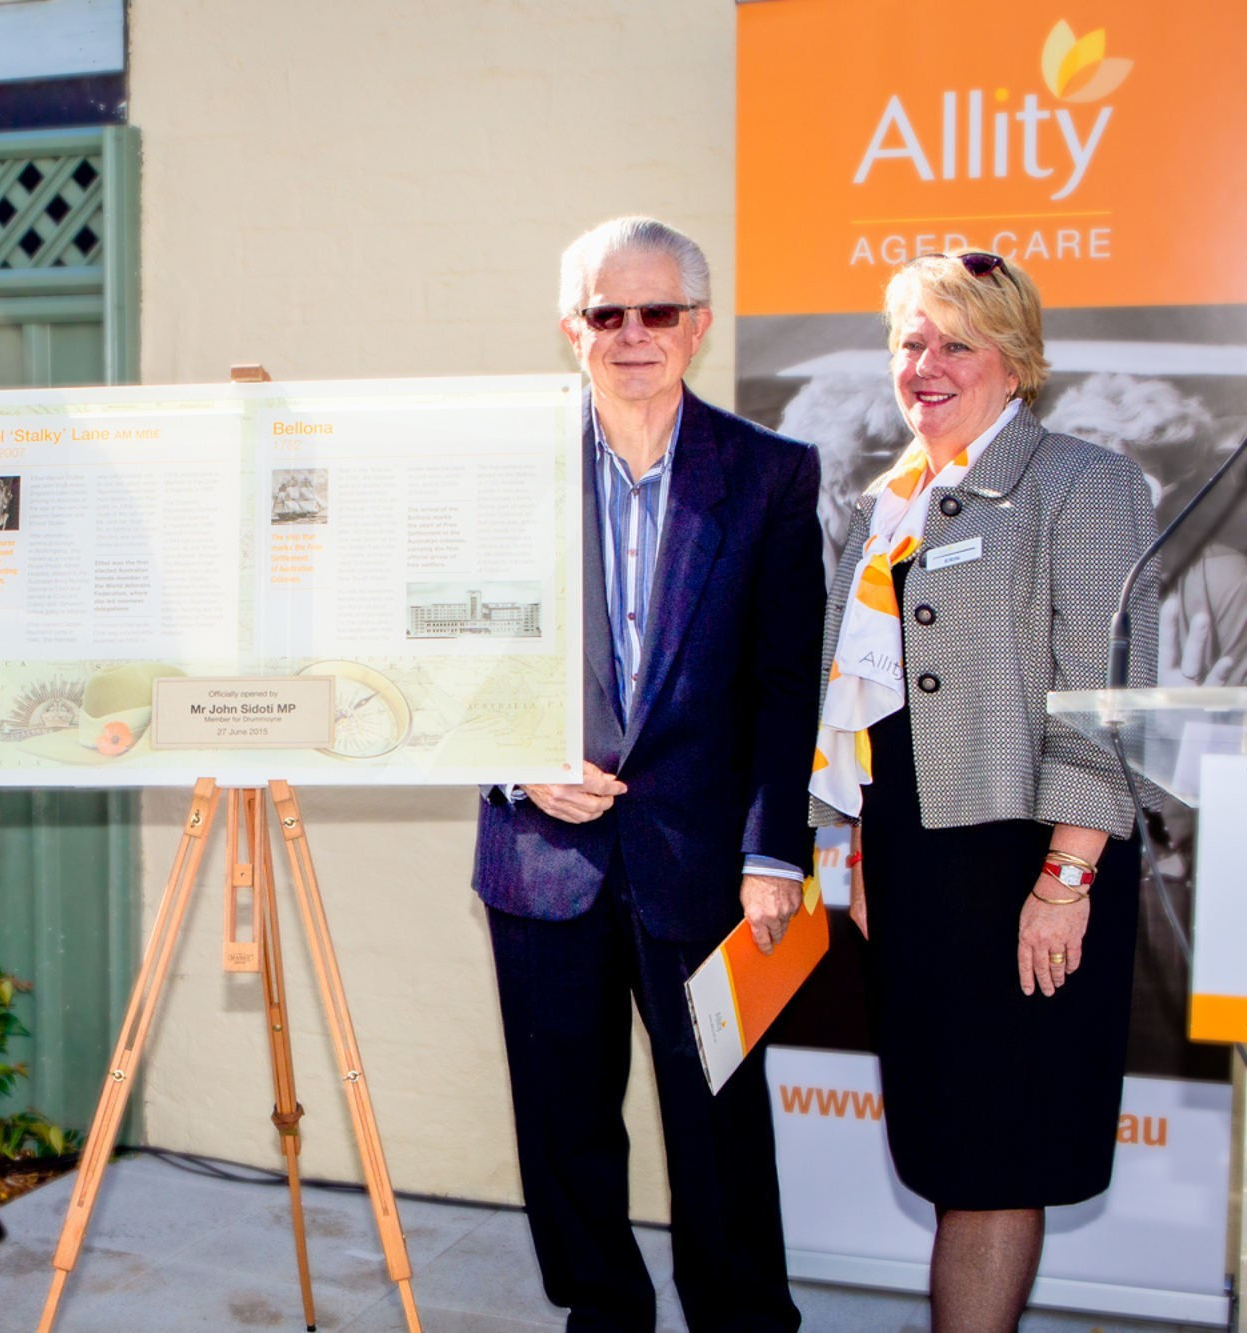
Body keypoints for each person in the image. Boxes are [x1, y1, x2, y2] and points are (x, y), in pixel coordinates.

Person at [473, 217, 824, 1331]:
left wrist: (775, 851)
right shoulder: (497, 469)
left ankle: (741, 1319)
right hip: (542, 859)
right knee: (563, 1124)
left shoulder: (767, 474)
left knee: (718, 1124)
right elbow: (440, 655)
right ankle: (601, 1315)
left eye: (655, 312)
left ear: (698, 325)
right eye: (605, 314)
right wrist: (513, 763)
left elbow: (782, 683)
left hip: (710, 867)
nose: (631, 335)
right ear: (569, 330)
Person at [810, 251, 1157, 1330]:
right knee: (952, 1142)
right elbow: (862, 708)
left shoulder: (1081, 483)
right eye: (910, 341)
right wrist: (855, 851)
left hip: (1027, 854)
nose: (926, 364)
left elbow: (1102, 700)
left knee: (997, 1154)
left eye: (954, 342)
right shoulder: (887, 503)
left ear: (1014, 362)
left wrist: (1064, 877)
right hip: (914, 859)